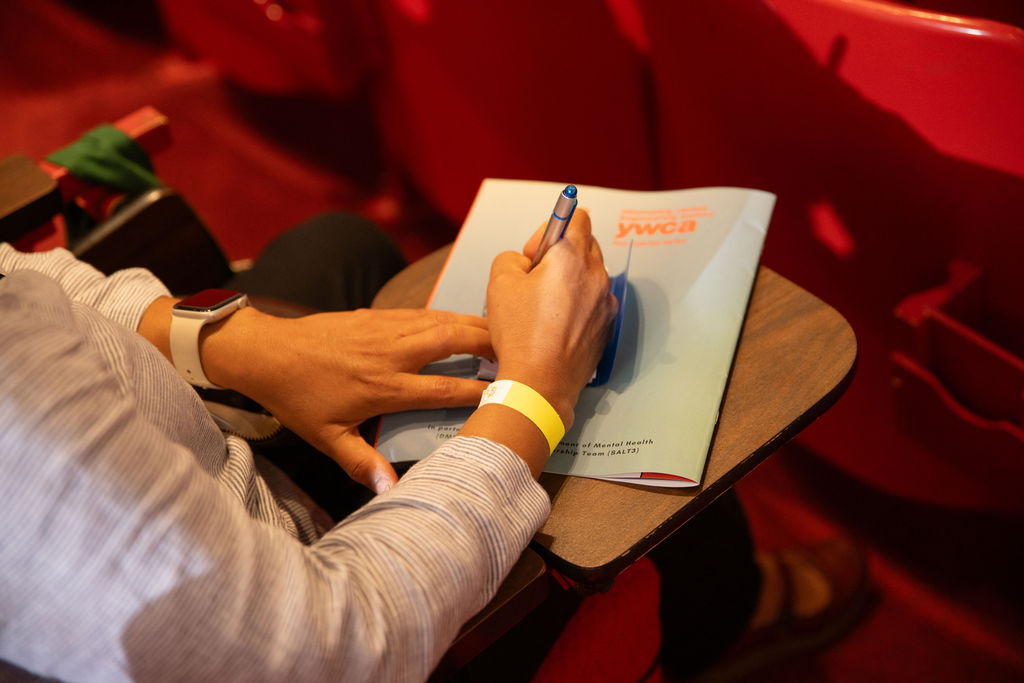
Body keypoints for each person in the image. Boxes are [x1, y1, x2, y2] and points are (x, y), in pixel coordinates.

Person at [0, 211, 869, 682]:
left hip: (203, 451)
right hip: (320, 614)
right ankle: (726, 613)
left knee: (336, 250)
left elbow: (28, 277)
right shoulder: (21, 435)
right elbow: (320, 651)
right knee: (646, 475)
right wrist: (536, 391)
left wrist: (228, 344)